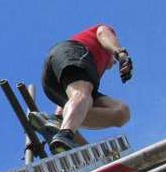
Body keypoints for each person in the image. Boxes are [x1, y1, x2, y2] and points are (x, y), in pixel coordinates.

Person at [28, 24, 132, 153]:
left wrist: (88, 150)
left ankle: (66, 134)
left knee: (121, 113)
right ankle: (65, 133)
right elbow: (102, 33)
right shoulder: (100, 48)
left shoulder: (91, 74)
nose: (114, 63)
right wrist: (120, 53)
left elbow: (68, 107)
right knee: (82, 95)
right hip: (71, 52)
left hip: (55, 85)